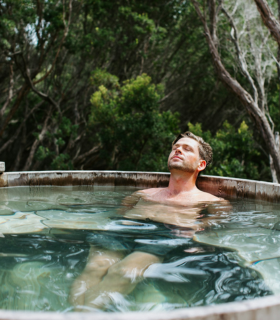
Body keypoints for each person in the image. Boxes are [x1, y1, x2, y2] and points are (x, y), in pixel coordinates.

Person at [69, 131, 229, 310]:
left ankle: (84, 314)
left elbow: (218, 222)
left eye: (186, 149)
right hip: (123, 228)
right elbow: (119, 213)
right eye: (175, 148)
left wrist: (195, 227)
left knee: (124, 272)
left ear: (201, 164)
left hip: (163, 234)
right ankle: (78, 314)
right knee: (94, 268)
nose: (178, 151)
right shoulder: (142, 194)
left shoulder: (210, 201)